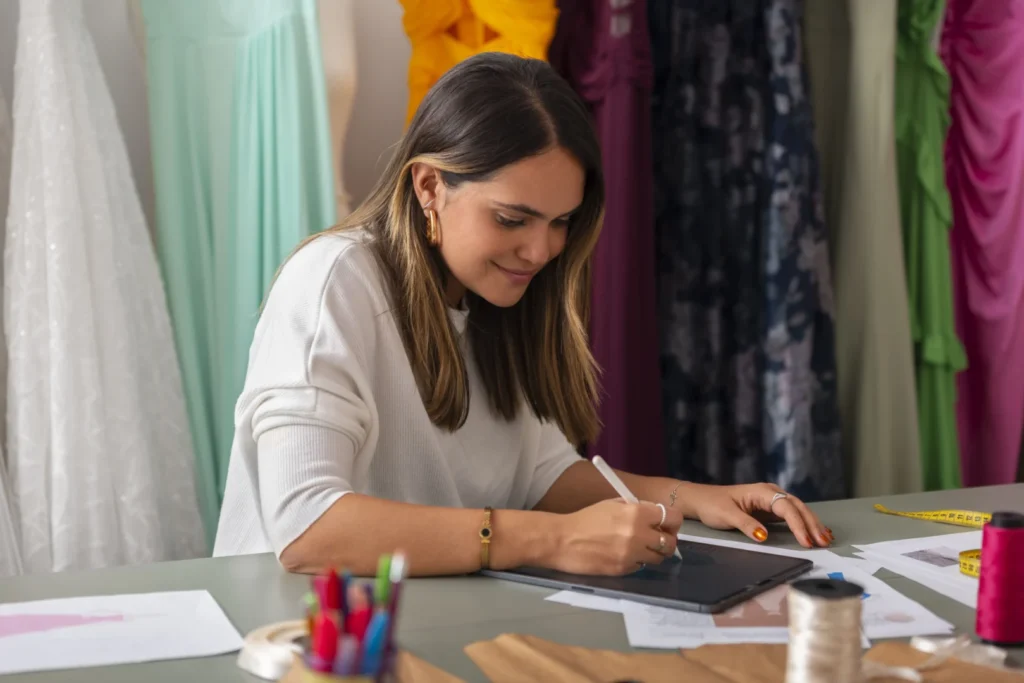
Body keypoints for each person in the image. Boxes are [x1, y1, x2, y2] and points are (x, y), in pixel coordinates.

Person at [213, 52, 832, 577]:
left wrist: (695, 498)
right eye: (512, 219)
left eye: (561, 221)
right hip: (306, 642)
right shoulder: (333, 281)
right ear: (430, 187)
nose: (542, 251)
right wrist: (552, 541)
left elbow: (543, 477)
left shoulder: (497, 298)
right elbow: (308, 529)